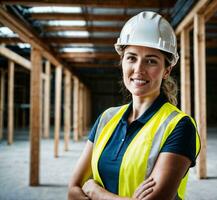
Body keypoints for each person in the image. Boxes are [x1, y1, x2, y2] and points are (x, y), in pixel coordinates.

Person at [68, 11, 200, 200]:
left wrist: (94, 191)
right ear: (122, 62)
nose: (139, 69)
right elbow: (72, 190)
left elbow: (83, 188)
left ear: (166, 70)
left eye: (151, 61)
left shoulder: (179, 126)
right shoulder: (107, 118)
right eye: (131, 58)